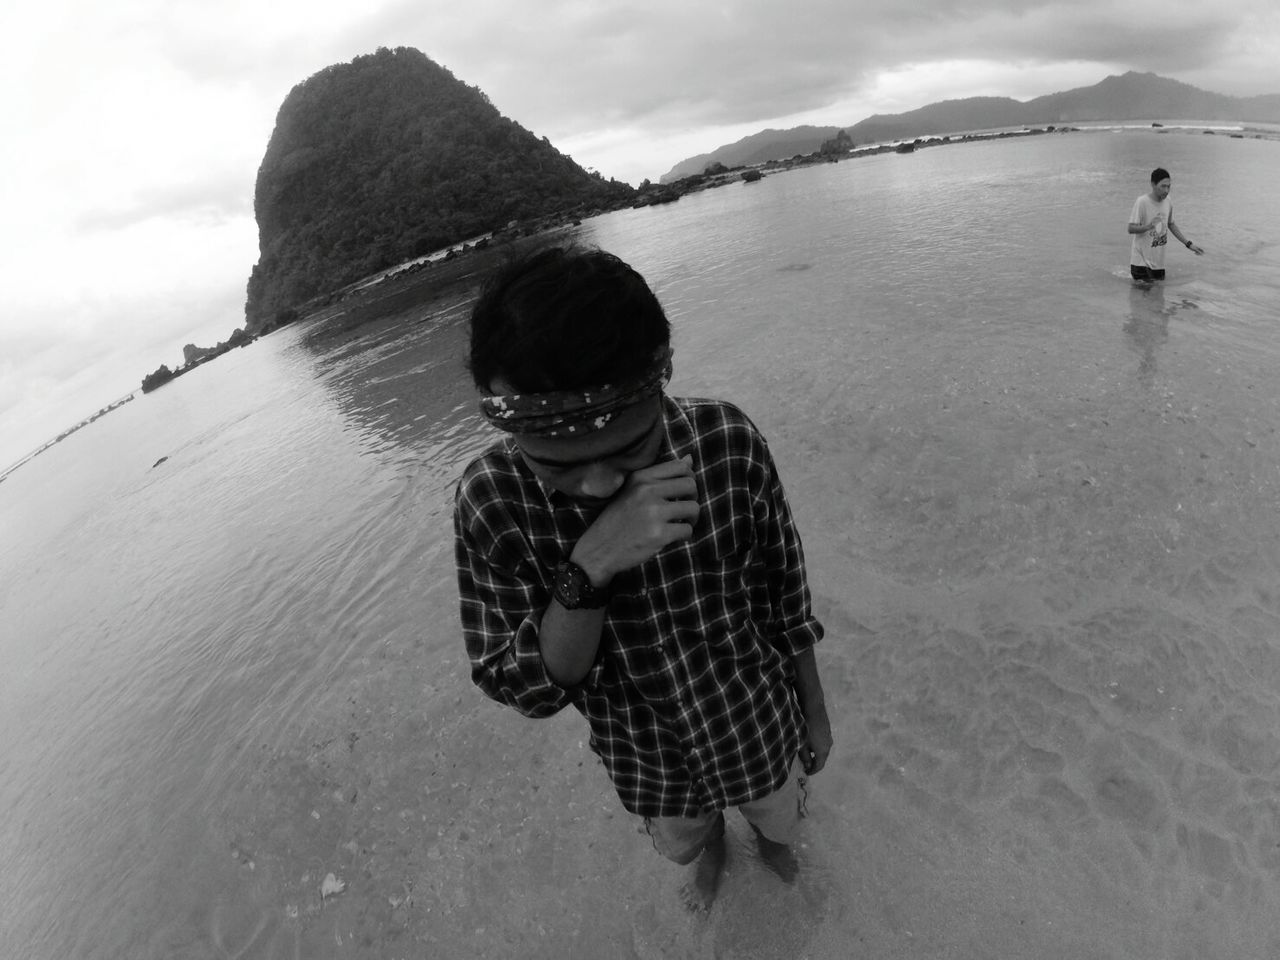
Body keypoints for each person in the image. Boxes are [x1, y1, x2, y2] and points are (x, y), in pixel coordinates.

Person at [453, 246, 833, 910]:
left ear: (657, 386)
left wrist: (817, 713)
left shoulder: (726, 442)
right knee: (688, 841)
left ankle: (771, 849)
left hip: (759, 727)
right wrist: (588, 567)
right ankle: (713, 851)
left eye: (629, 449)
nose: (599, 484)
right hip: (650, 764)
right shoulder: (493, 502)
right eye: (558, 465)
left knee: (780, 822)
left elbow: (785, 593)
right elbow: (527, 688)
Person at [1128, 166, 1204, 281]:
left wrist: (1188, 244)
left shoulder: (1168, 201)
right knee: (1149, 296)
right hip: (1140, 263)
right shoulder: (1142, 202)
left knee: (1158, 297)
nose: (1166, 190)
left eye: (1169, 186)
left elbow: (1171, 224)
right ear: (1153, 184)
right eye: (1163, 186)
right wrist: (1148, 227)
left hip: (1159, 262)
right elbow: (1131, 228)